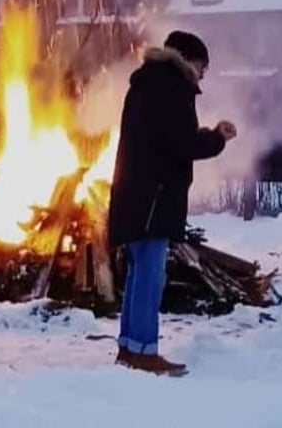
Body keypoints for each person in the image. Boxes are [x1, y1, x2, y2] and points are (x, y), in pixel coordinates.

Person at [108, 31, 236, 376]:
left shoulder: (145, 84)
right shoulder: (172, 88)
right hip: (155, 196)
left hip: (135, 193)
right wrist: (217, 138)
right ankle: (144, 351)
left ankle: (130, 346)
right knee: (150, 275)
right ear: (187, 60)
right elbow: (182, 144)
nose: (203, 74)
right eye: (202, 66)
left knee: (139, 271)